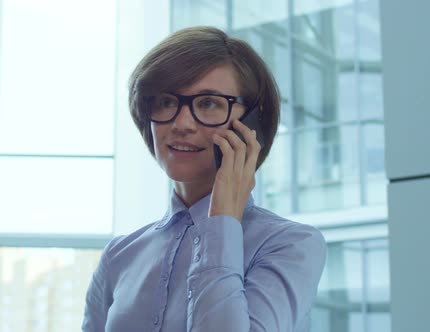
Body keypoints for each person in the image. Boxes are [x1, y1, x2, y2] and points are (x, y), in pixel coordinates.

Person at [82, 26, 326, 332]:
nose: (182, 124)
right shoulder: (120, 256)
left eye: (208, 103)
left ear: (251, 122)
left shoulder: (289, 245)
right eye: (167, 102)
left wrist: (221, 223)